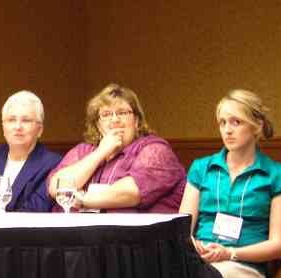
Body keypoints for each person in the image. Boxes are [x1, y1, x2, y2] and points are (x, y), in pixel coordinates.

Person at [179, 89, 281, 278]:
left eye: (236, 122)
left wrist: (230, 253)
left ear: (257, 126)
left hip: (245, 266)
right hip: (199, 260)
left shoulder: (278, 175)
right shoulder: (201, 168)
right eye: (223, 123)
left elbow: (278, 245)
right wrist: (194, 245)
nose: (227, 130)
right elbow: (182, 226)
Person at [48, 83, 186, 212]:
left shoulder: (155, 149)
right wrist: (100, 153)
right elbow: (57, 187)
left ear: (136, 121)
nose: (115, 120)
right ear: (98, 124)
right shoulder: (83, 151)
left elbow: (131, 192)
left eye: (122, 113)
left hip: (135, 235)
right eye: (106, 114)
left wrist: (81, 200)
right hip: (79, 233)